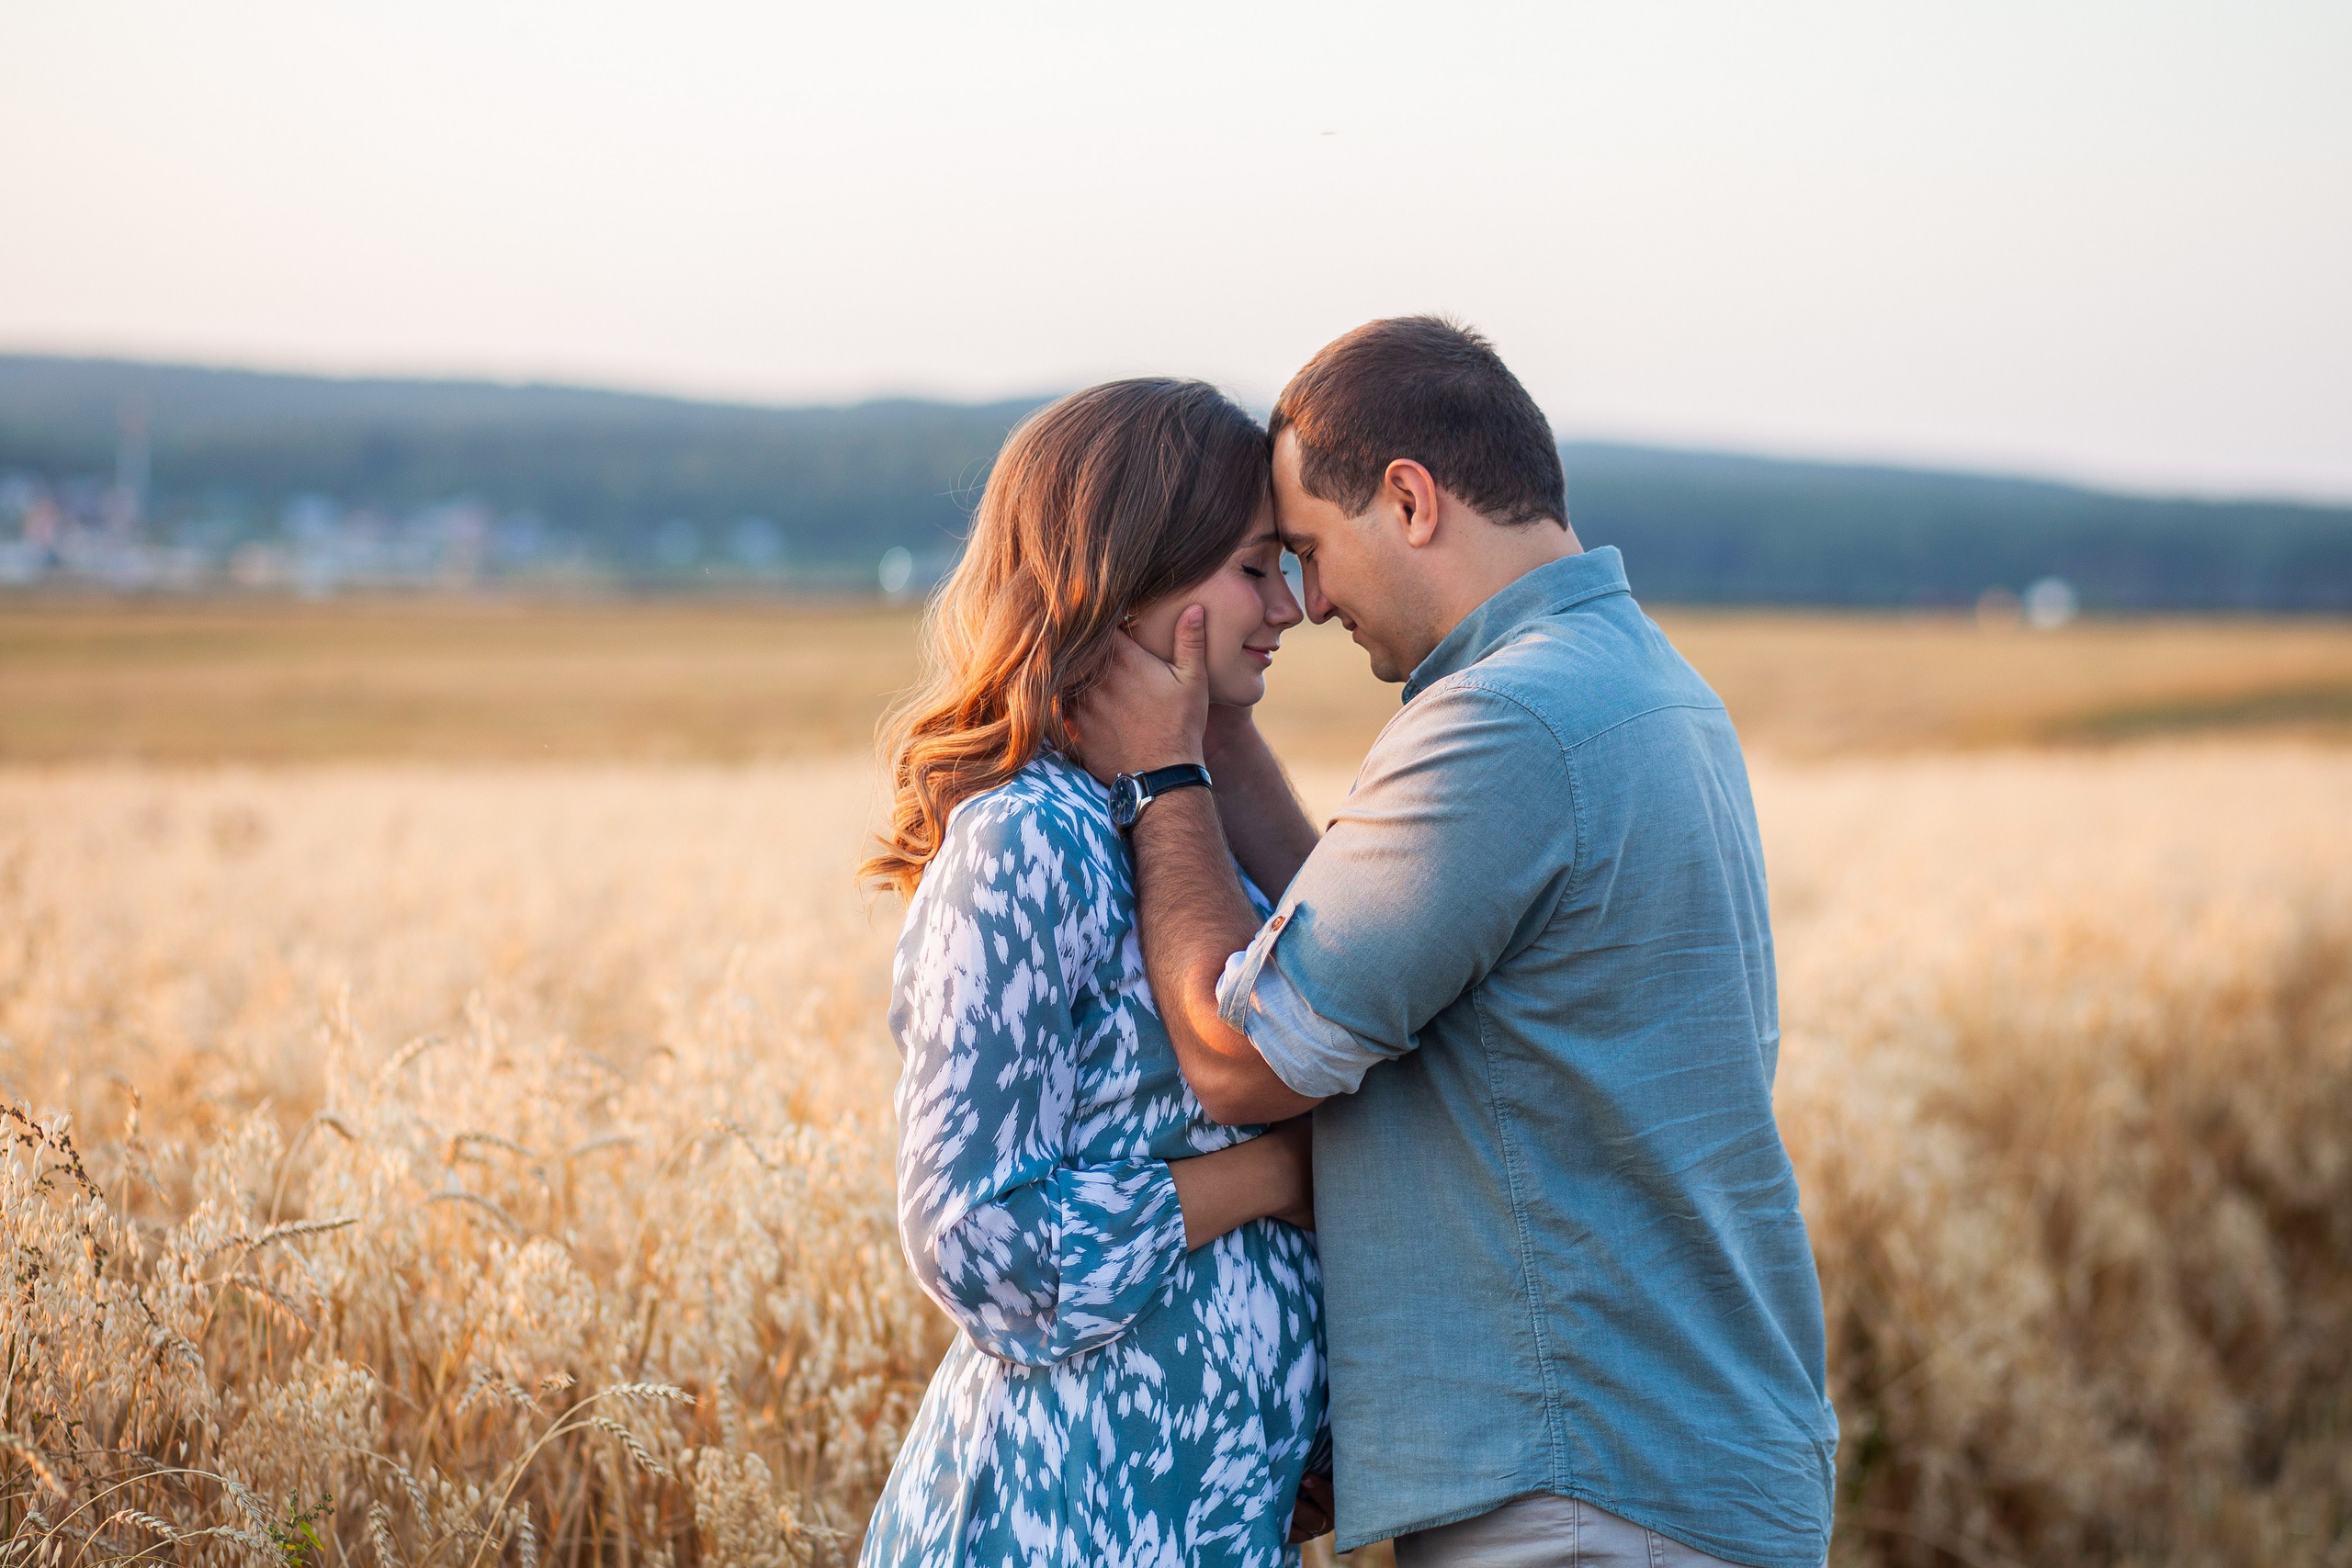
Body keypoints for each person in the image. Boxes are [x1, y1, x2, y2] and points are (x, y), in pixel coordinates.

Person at [1073, 318, 1838, 1568]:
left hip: (1588, 1488)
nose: (1307, 607)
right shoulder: (1635, 683)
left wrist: (1162, 771)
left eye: (1311, 555)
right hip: (1666, 1462)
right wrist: (1217, 729)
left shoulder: (1508, 721)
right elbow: (1377, 928)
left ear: (1411, 500)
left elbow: (1238, 1055)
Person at [858, 378, 1330, 1568]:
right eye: (1253, 569)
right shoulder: (1037, 839)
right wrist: (1273, 1175)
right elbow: (976, 1240)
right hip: (1052, 1522)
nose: (1289, 606)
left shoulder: (1184, 829)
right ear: (1129, 583)